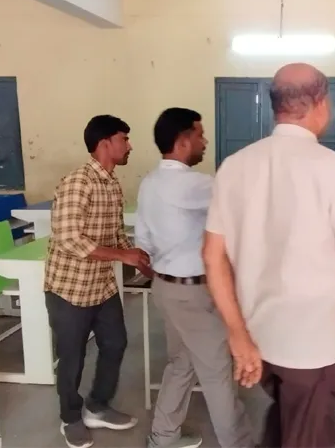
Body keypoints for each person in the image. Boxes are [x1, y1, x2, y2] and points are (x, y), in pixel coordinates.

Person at [202, 63, 335, 448]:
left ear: (276, 105)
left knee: (284, 424)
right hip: (311, 350)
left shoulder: (234, 167)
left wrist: (238, 335)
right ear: (320, 103)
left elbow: (213, 259)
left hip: (259, 341)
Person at [136, 108, 254, 448]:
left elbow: (143, 241)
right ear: (183, 140)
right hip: (193, 294)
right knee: (217, 373)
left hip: (166, 287)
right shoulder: (192, 184)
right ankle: (239, 443)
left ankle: (163, 436)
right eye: (200, 135)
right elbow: (242, 200)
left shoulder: (149, 183)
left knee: (182, 363)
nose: (205, 142)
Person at [44, 115, 153, 448]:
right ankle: (70, 417)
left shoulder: (112, 183)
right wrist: (122, 256)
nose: (130, 145)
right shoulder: (78, 182)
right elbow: (69, 239)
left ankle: (97, 406)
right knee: (72, 357)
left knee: (115, 343)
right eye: (124, 138)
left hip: (101, 286)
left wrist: (139, 258)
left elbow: (115, 233)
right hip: (69, 288)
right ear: (105, 143)